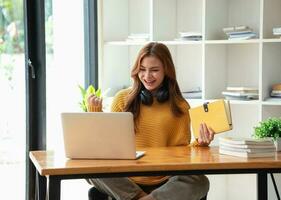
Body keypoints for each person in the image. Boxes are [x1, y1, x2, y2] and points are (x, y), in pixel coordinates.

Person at [87, 42, 215, 200]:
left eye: (154, 70)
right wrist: (95, 113)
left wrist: (200, 144)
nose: (147, 76)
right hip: (126, 179)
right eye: (142, 70)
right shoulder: (122, 99)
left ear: (166, 71)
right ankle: (142, 197)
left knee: (200, 181)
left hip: (165, 180)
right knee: (90, 170)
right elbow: (106, 146)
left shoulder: (180, 106)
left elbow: (183, 152)